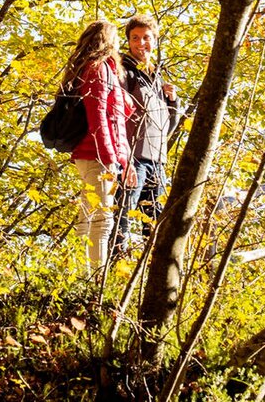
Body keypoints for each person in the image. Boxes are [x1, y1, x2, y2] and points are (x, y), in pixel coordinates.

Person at [64, 20, 137, 270]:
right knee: (101, 221)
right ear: (107, 41)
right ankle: (94, 278)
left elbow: (114, 119)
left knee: (89, 217)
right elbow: (98, 118)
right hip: (96, 155)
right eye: (116, 39)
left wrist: (124, 160)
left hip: (94, 153)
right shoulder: (98, 69)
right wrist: (110, 158)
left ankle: (81, 275)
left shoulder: (102, 70)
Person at [115, 15, 180, 254]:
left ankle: (149, 269)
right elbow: (116, 115)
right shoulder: (124, 72)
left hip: (157, 161)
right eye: (135, 38)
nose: (140, 43)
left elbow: (167, 127)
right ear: (128, 41)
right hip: (133, 159)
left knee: (154, 223)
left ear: (155, 40)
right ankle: (115, 264)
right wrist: (125, 159)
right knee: (123, 214)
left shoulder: (157, 76)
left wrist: (173, 102)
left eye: (146, 37)